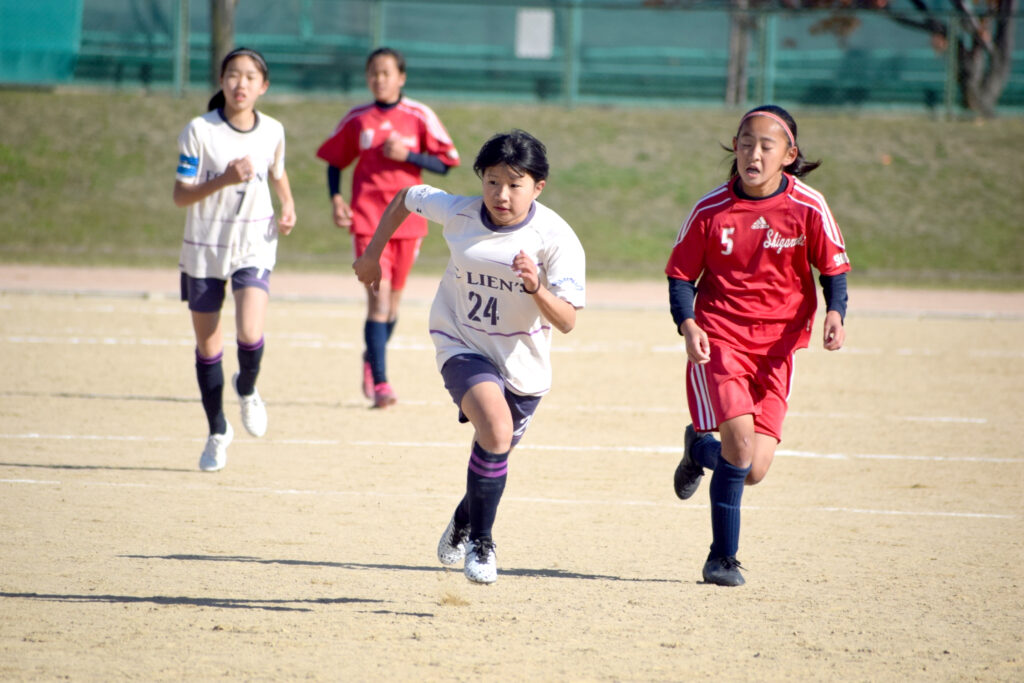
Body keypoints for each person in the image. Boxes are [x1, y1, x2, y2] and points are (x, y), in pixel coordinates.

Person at [353, 130, 585, 584]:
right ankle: (482, 543)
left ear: (538, 187)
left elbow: (568, 321)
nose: (501, 194)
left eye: (515, 184)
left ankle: (464, 519)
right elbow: (407, 196)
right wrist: (372, 253)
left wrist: (536, 286)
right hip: (460, 340)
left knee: (494, 450)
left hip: (523, 362)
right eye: (492, 181)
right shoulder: (459, 212)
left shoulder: (555, 238)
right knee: (495, 430)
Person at [665, 105, 850, 586]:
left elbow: (832, 267)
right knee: (741, 446)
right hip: (721, 338)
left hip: (779, 348)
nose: (754, 153)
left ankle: (697, 451)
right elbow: (681, 276)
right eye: (746, 142)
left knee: (752, 469)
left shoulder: (809, 206)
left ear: (789, 155)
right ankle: (720, 559)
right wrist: (687, 324)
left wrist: (835, 311)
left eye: (767, 146)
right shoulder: (711, 210)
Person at [173, 47, 296, 472]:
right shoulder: (199, 131)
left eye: (249, 77)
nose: (240, 83)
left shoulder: (273, 130)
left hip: (253, 243)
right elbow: (180, 195)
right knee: (208, 347)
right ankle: (217, 430)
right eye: (232, 75)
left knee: (248, 331)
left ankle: (247, 388)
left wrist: (288, 205)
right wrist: (225, 177)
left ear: (263, 86)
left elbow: (277, 172)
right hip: (205, 247)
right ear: (221, 81)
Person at [316, 47, 460, 409]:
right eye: (373, 73)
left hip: (409, 219)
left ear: (401, 77)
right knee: (378, 302)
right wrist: (336, 199)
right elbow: (335, 161)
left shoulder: (419, 115)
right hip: (367, 219)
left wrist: (408, 156)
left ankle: (371, 357)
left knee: (393, 305)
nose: (379, 79)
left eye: (386, 73)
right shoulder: (357, 119)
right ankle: (381, 381)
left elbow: (447, 163)